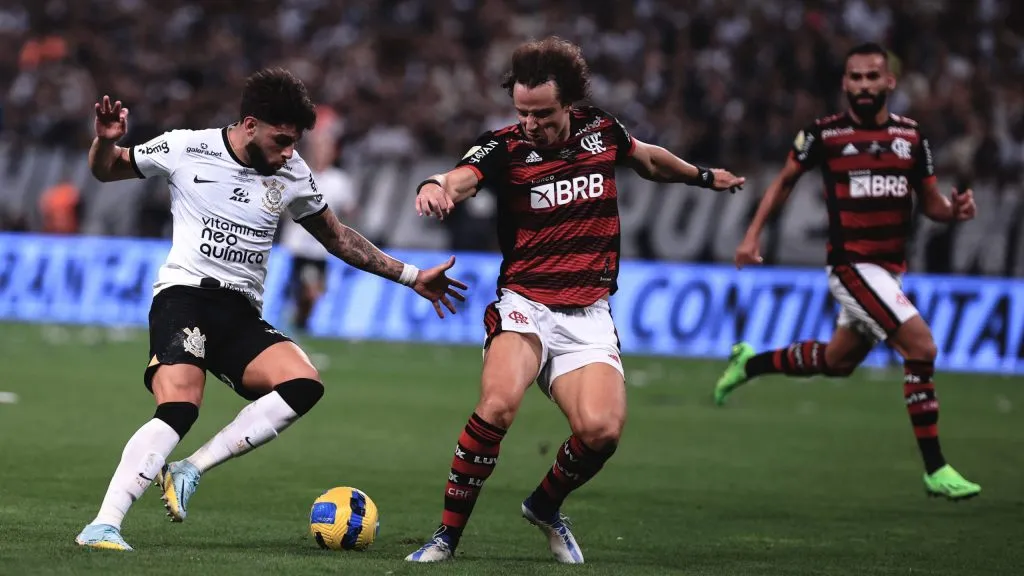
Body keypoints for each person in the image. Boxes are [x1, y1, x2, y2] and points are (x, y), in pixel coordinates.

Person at [75, 68, 467, 551]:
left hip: (240, 311)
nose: (288, 152)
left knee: (303, 383)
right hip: (185, 296)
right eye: (281, 140)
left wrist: (410, 276)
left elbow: (338, 238)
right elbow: (107, 169)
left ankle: (189, 469)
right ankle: (104, 524)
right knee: (179, 406)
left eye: (294, 142)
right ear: (249, 125)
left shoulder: (293, 171)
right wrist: (105, 141)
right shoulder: (185, 147)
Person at [406, 37, 745, 564]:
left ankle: (544, 506)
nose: (531, 124)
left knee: (601, 432)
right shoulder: (503, 147)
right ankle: (445, 539)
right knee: (497, 406)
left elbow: (648, 160)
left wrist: (702, 176)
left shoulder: (602, 130)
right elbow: (461, 176)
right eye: (522, 112)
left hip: (588, 312)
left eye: (542, 114)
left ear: (569, 103)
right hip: (526, 303)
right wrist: (435, 186)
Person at [713, 43, 981, 501]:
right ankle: (936, 469)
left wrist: (953, 211)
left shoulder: (911, 137)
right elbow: (784, 181)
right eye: (855, 77)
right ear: (844, 83)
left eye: (872, 77)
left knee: (837, 362)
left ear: (889, 81)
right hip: (852, 266)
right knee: (921, 346)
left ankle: (749, 363)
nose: (863, 85)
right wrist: (752, 235)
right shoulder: (824, 134)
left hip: (889, 271)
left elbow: (931, 203)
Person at [279, 136, 358, 334]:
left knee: (315, 292)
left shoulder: (340, 180)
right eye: (318, 149)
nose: (322, 154)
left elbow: (349, 210)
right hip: (298, 246)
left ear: (334, 154)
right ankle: (297, 317)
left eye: (326, 150)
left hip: (323, 247)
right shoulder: (299, 174)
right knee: (309, 289)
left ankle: (300, 321)